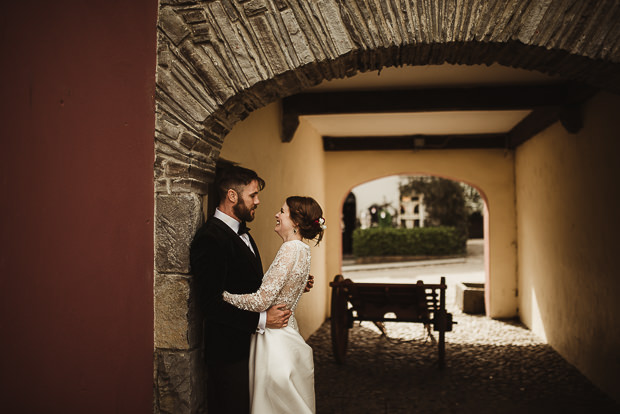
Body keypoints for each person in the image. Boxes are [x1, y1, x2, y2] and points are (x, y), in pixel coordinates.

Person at [190, 165, 302, 414]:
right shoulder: (210, 238)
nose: (258, 201)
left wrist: (292, 282)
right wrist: (263, 319)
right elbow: (211, 305)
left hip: (250, 350)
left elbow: (252, 287)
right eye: (253, 195)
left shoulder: (244, 235)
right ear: (232, 196)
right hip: (228, 355)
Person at [222, 196, 326, 414]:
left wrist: (224, 296)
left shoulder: (290, 249)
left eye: (282, 211)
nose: (276, 215)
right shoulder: (303, 250)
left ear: (296, 222)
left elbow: (262, 300)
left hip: (274, 339)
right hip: (287, 331)